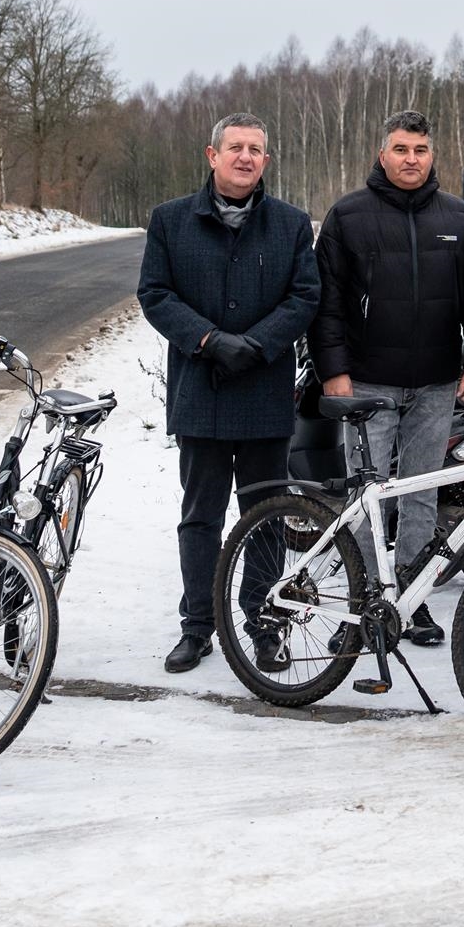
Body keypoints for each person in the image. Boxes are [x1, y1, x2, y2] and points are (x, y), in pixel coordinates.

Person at [135, 113, 322, 674]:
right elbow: (155, 293)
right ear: (211, 156)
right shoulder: (170, 220)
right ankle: (197, 627)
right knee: (201, 516)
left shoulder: (290, 225)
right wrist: (211, 340)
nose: (246, 157)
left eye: (256, 149)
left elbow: (304, 295)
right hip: (201, 391)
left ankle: (264, 621)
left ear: (266, 160)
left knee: (264, 514)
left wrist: (257, 345)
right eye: (235, 147)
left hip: (263, 394)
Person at [312, 109, 464, 646]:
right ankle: (363, 602)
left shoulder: (459, 219)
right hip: (366, 385)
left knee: (420, 496)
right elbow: (327, 306)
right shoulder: (348, 216)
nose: (410, 159)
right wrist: (334, 372)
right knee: (365, 496)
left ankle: (411, 601)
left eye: (419, 150)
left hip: (437, 383)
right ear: (381, 153)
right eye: (400, 150)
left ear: (431, 155)